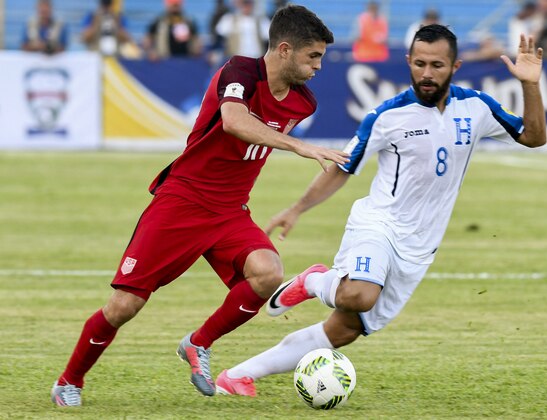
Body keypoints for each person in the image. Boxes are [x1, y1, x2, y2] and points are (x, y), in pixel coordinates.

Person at [214, 24, 547, 397]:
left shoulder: (477, 107)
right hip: (379, 224)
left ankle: (237, 375)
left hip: (420, 246)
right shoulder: (388, 115)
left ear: (455, 66)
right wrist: (297, 209)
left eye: (437, 65)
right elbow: (343, 166)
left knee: (345, 329)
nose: (426, 73)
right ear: (408, 61)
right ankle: (312, 281)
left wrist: (530, 84)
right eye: (419, 63)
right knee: (358, 295)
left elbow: (533, 137)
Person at [51, 4, 346, 407]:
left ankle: (198, 343)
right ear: (283, 49)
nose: (318, 67)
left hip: (229, 211)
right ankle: (69, 381)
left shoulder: (302, 102)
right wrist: (298, 146)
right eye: (313, 56)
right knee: (124, 305)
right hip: (183, 201)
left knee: (266, 273)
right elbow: (234, 122)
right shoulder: (239, 72)